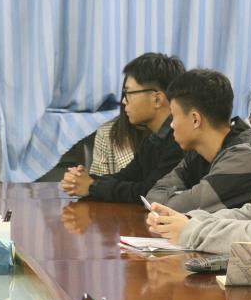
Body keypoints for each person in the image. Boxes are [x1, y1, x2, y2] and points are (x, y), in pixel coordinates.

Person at [146, 82, 251, 254]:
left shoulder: (247, 155)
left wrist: (190, 230)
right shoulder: (198, 152)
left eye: (174, 116)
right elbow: (250, 213)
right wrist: (187, 219)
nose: (170, 125)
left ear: (196, 119)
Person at [60, 53, 185, 202]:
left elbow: (149, 192)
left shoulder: (180, 139)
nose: (124, 101)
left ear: (157, 99)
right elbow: (126, 176)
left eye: (129, 93)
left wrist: (93, 186)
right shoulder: (154, 138)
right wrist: (85, 180)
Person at [89, 103, 149, 176]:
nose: (124, 101)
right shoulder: (106, 133)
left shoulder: (159, 135)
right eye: (125, 96)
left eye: (131, 96)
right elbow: (98, 179)